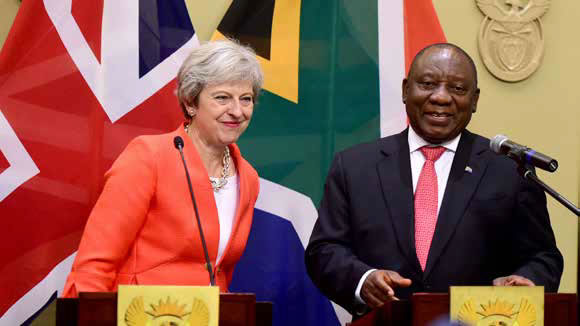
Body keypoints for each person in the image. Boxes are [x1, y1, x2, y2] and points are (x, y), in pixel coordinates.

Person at [304, 43, 563, 315]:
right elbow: (324, 250)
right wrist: (363, 279)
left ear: (474, 100)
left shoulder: (510, 170)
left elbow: (543, 257)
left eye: (458, 89)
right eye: (428, 84)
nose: (441, 97)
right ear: (406, 90)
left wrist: (527, 282)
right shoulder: (355, 166)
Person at [62, 39, 263, 296]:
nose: (237, 111)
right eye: (222, 97)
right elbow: (93, 266)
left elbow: (220, 272)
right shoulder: (148, 157)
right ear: (191, 102)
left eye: (245, 99)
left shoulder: (247, 177)